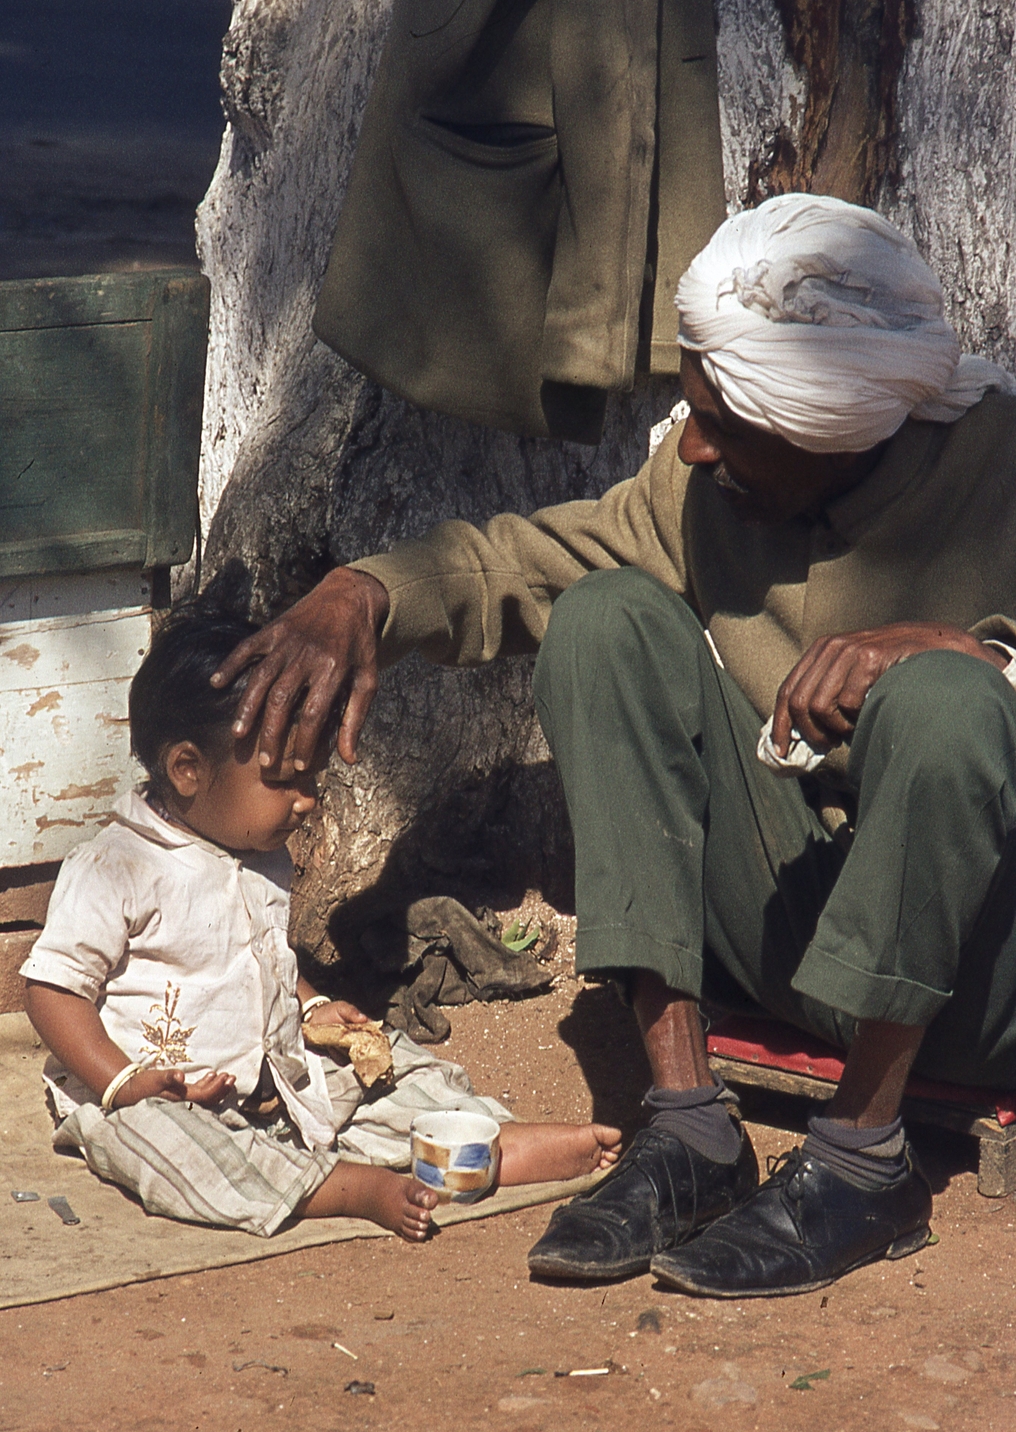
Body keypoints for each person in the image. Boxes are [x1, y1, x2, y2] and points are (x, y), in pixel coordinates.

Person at [208, 194, 1016, 1296]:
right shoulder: (706, 487)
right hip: (794, 944)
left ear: (828, 424)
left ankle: (865, 1156)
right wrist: (366, 593)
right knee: (602, 619)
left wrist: (970, 656)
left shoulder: (996, 470)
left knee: (945, 701)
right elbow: (534, 563)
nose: (694, 444)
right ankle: (688, 1128)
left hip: (973, 986)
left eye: (726, 422)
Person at [21, 606, 621, 1243]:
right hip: (163, 1094)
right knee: (166, 1149)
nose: (307, 800)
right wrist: (123, 1082)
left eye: (312, 777)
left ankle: (486, 1139)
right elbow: (52, 989)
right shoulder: (114, 866)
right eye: (285, 780)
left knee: (387, 1067)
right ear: (188, 769)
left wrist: (311, 1007)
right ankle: (351, 1190)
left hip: (278, 1077)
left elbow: (264, 957)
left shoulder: (258, 852)